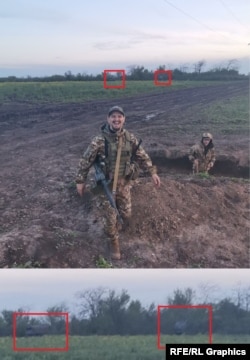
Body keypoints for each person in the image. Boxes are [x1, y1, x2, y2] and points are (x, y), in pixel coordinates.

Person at [75, 105, 161, 260]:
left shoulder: (130, 138)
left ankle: (117, 225)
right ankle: (113, 241)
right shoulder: (99, 141)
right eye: (113, 117)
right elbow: (85, 161)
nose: (116, 119)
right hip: (105, 186)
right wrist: (80, 181)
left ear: (124, 119)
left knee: (126, 214)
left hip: (124, 184)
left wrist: (153, 172)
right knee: (110, 217)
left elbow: (143, 157)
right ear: (108, 119)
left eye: (119, 117)